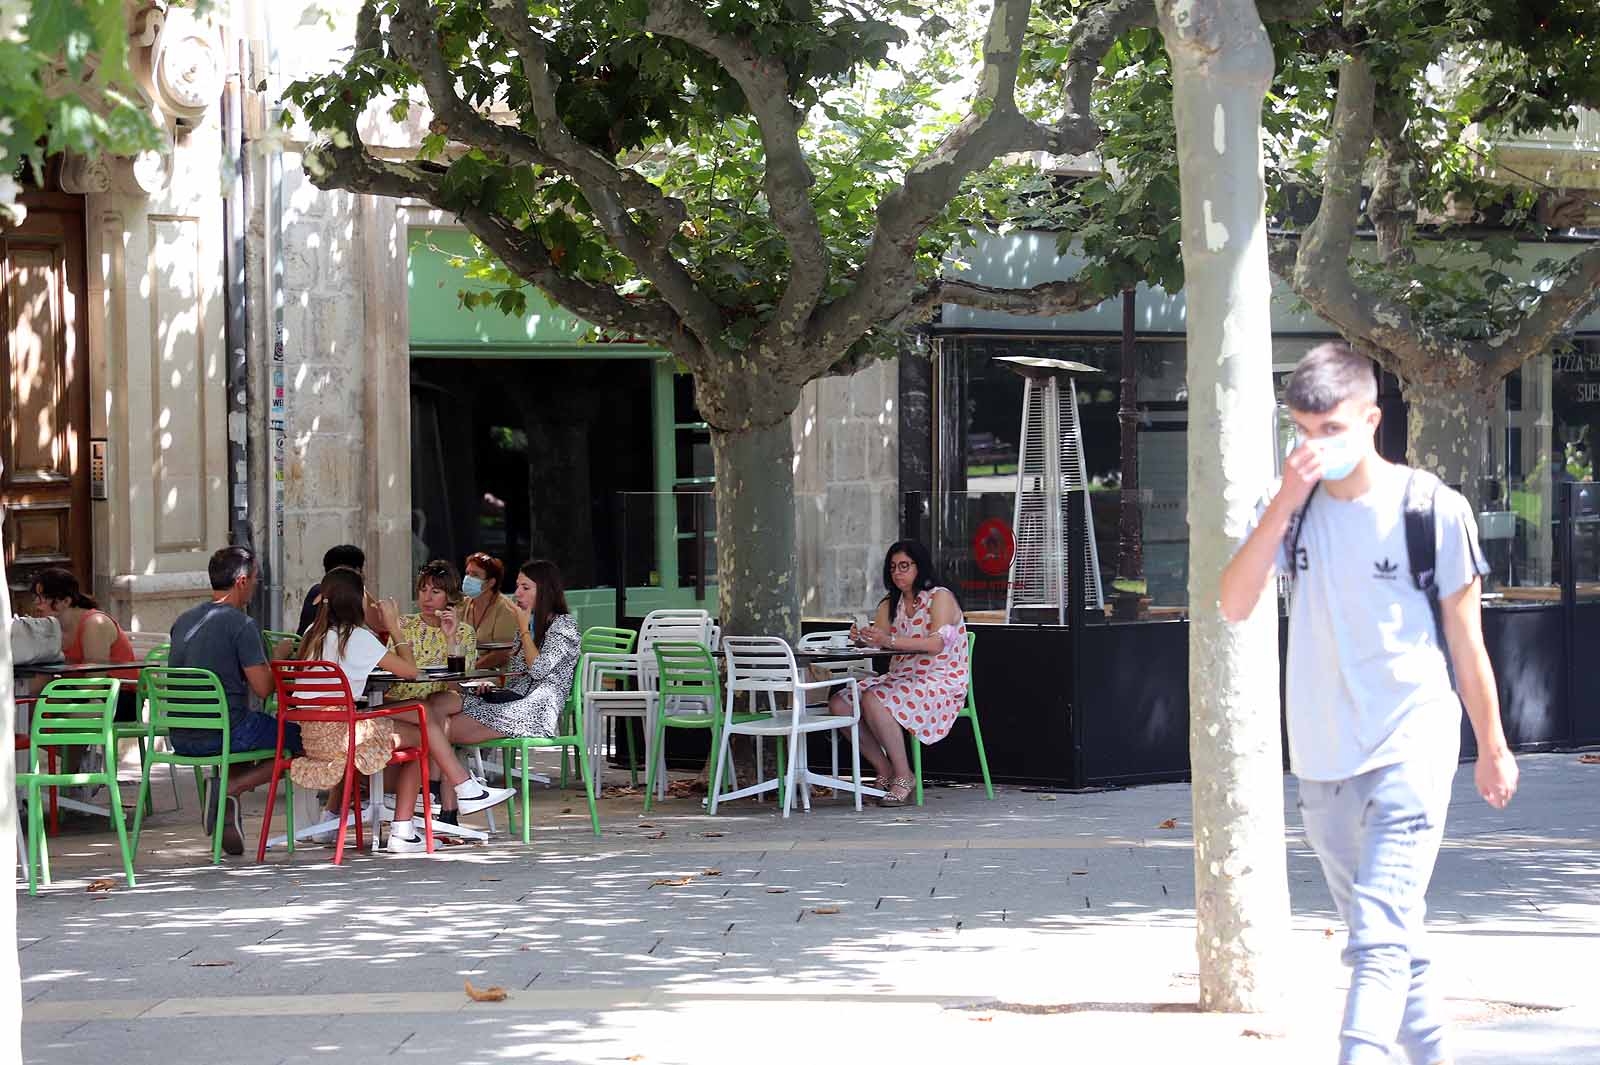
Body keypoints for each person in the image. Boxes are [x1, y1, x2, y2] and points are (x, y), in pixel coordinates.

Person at [1219, 341, 1518, 1065]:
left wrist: (1493, 743)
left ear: (1371, 419)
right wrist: (1286, 501)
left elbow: (1467, 641)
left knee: (1378, 934)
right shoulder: (1289, 508)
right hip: (1322, 758)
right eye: (1301, 430)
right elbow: (1232, 602)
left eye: (1330, 430)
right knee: (1390, 937)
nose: (1315, 446)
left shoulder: (1432, 509)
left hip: (1412, 743)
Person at [294, 566, 512, 852]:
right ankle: (404, 829)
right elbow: (410, 671)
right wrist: (395, 627)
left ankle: (463, 789)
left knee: (421, 711)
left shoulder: (314, 633)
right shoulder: (356, 637)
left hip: (313, 735)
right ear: (356, 601)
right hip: (342, 735)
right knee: (422, 732)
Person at [168, 546, 298, 857]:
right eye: (255, 579)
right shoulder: (242, 624)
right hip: (226, 732)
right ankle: (229, 788)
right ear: (241, 581)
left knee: (248, 725)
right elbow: (264, 688)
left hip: (182, 735)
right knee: (302, 739)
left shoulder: (183, 621)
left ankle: (228, 808)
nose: (256, 585)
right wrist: (278, 655)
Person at [828, 540, 969, 807]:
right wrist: (863, 638)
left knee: (874, 698)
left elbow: (935, 644)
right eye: (893, 567)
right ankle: (884, 769)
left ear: (920, 567)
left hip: (939, 679)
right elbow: (879, 642)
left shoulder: (940, 598)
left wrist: (888, 640)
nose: (897, 573)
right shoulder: (890, 603)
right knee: (840, 703)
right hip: (901, 678)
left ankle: (904, 776)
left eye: (904, 566)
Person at [426, 559, 580, 747]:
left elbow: (539, 671)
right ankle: (446, 775)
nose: (517, 594)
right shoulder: (529, 623)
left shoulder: (563, 626)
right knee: (439, 701)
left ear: (545, 590)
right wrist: (490, 686)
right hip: (512, 698)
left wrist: (523, 629)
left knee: (441, 729)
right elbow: (517, 675)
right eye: (517, 586)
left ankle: (452, 775)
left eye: (525, 587)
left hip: (535, 710)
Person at [30, 567, 140, 719]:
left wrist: (53, 695)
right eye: (35, 597)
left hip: (118, 697)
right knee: (29, 705)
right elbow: (38, 682)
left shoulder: (95, 623)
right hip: (80, 694)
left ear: (65, 601)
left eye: (43, 598)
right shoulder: (50, 627)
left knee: (52, 710)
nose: (36, 604)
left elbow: (94, 684)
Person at [382, 560, 478, 704]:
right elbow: (390, 673)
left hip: (444, 703)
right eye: (423, 590)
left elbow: (458, 687)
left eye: (435, 592)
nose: (427, 598)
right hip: (403, 701)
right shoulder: (403, 624)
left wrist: (450, 638)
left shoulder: (465, 632)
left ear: (449, 596)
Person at [295, 543, 386, 640]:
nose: (364, 575)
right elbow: (382, 627)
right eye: (361, 570)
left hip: (303, 648)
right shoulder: (351, 593)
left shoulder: (316, 589)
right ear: (356, 571)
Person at [460, 552, 522, 671]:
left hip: (495, 675)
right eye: (467, 573)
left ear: (490, 582)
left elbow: (502, 654)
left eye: (475, 575)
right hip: (465, 672)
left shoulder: (505, 608)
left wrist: (469, 670)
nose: (468, 578)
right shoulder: (462, 605)